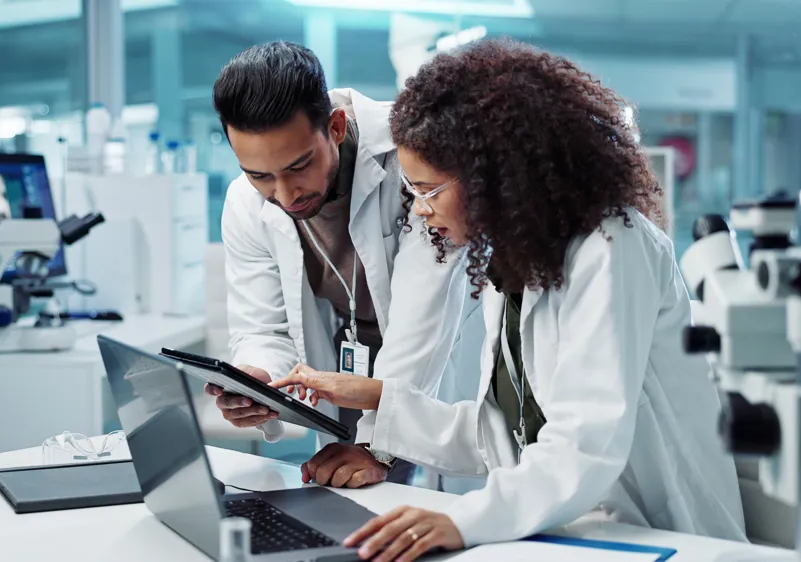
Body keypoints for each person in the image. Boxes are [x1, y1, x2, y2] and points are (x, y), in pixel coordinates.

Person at [270, 39, 746, 561]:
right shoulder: (515, 266)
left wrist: (462, 520)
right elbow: (502, 438)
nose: (419, 210)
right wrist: (379, 398)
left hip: (664, 537)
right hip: (578, 530)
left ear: (493, 178)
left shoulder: (613, 246)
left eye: (428, 190)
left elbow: (583, 446)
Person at [208, 41, 483, 487]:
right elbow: (262, 328)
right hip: (351, 355)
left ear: (335, 127)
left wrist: (377, 447)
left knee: (451, 493)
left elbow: (424, 316)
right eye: (259, 175)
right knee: (354, 495)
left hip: (441, 348)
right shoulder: (245, 202)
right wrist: (257, 380)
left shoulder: (413, 153)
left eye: (299, 166)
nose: (285, 195)